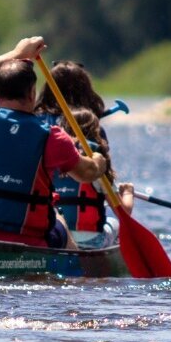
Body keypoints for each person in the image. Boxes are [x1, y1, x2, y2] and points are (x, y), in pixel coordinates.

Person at [0, 36, 106, 248]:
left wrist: (17, 54)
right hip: (28, 240)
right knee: (57, 218)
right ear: (32, 94)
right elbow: (87, 173)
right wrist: (98, 161)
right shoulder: (53, 137)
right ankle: (74, 268)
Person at [35, 60, 134, 249]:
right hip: (88, 236)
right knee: (115, 224)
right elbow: (123, 210)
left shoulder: (36, 125)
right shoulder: (91, 143)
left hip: (49, 230)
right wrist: (128, 193)